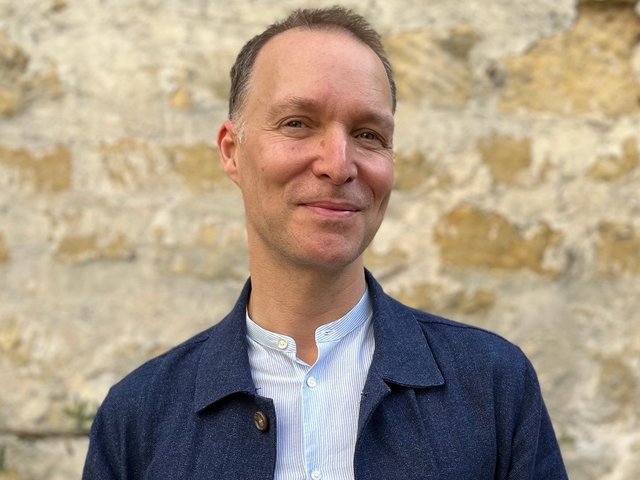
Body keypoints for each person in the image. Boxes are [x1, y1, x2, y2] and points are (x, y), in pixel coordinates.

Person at [83, 6, 568, 479]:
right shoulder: (138, 419)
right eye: (297, 123)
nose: (338, 165)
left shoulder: (493, 386)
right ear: (232, 152)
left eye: (368, 134)